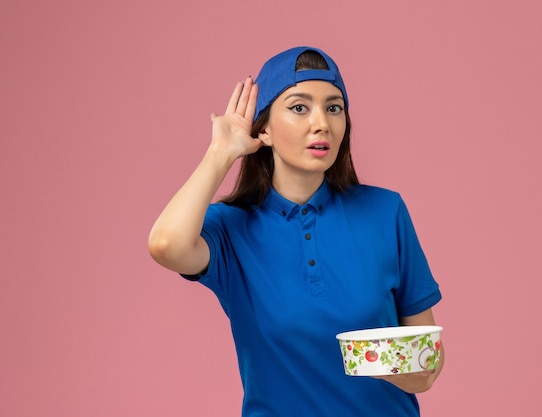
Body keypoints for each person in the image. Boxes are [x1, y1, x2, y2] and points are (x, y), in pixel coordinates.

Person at [148, 46, 444, 416]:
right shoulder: (230, 229)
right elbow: (165, 245)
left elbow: (428, 362)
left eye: (333, 108)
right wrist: (221, 151)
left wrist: (402, 367)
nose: (321, 122)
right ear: (265, 130)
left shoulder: (386, 211)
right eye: (299, 107)